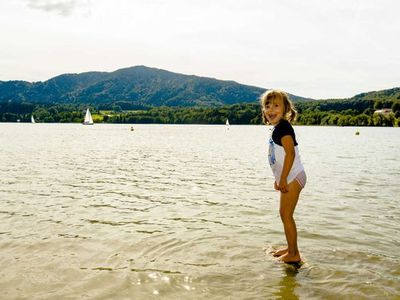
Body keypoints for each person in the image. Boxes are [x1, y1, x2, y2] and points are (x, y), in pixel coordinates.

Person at [261, 89, 306, 263]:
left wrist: (283, 178)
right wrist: (278, 177)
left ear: (286, 108)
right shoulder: (278, 128)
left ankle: (294, 254)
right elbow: (278, 157)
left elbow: (290, 154)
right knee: (284, 214)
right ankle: (291, 247)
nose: (271, 109)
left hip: (293, 176)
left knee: (286, 215)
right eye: (267, 105)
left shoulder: (284, 128)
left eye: (276, 106)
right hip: (289, 176)